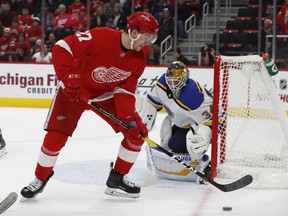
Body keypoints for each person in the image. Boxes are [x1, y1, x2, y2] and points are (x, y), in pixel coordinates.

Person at [20, 11, 159, 199]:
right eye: (147, 36)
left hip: (105, 95)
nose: (149, 42)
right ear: (134, 31)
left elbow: (125, 90)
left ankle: (117, 178)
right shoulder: (101, 36)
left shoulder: (141, 55)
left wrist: (128, 120)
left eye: (152, 37)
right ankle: (40, 178)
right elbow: (62, 47)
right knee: (55, 138)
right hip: (74, 92)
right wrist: (68, 77)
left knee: (137, 134)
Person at [136, 61, 212, 183]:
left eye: (177, 81)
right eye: (171, 80)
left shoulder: (192, 97)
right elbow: (152, 101)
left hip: (199, 124)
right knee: (170, 142)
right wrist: (145, 120)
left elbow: (213, 119)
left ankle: (206, 165)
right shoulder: (162, 84)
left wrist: (206, 133)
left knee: (183, 144)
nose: (173, 84)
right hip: (183, 123)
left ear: (185, 79)